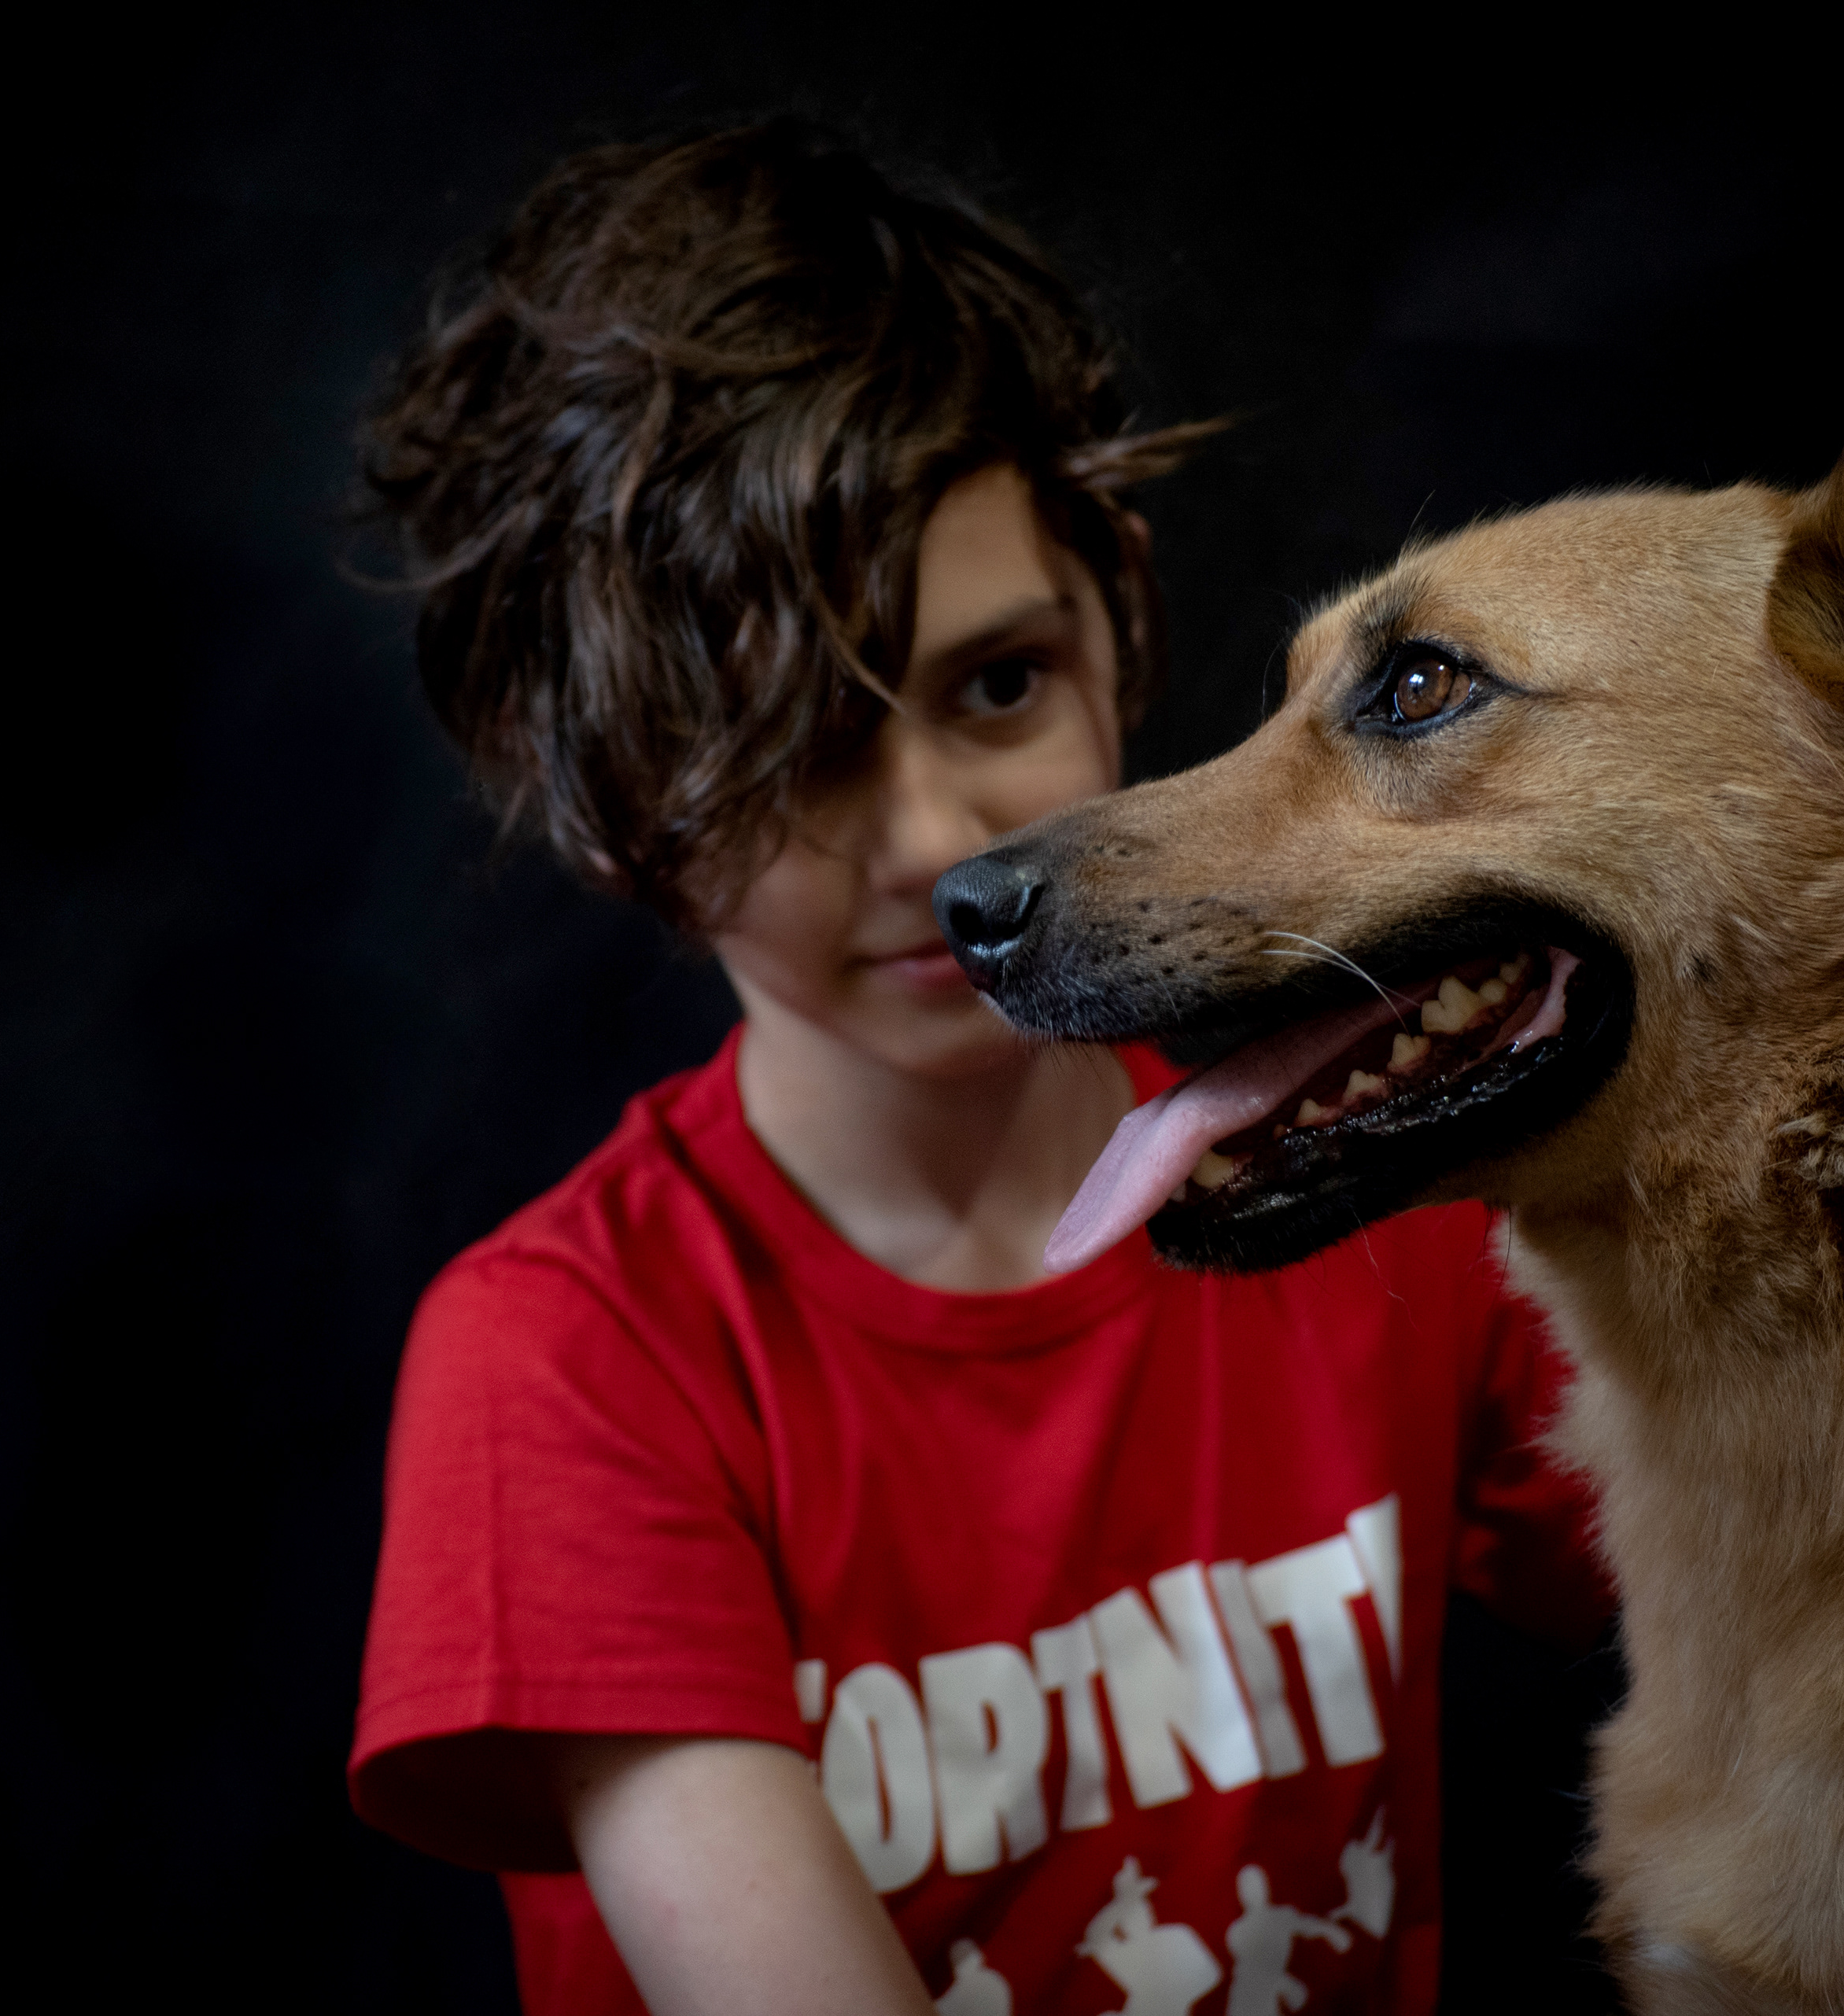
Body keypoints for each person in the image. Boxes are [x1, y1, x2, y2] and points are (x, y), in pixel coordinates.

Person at [346, 123, 1607, 2015]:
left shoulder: (1377, 1151)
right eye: (791, 746)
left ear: (1117, 608)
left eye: (997, 683)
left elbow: (1842, 1599)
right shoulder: (573, 1357)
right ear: (607, 796)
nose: (936, 839)